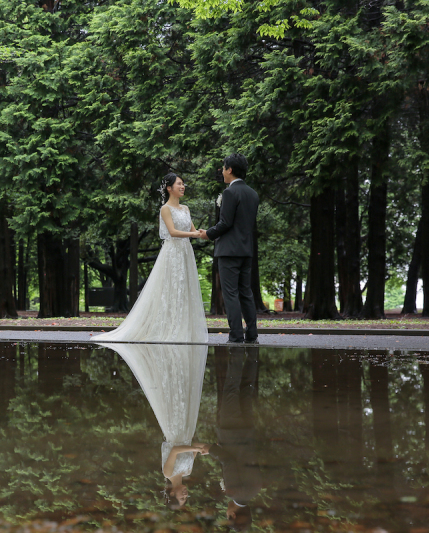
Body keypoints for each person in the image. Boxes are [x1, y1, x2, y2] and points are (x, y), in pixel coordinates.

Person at [93, 172, 207, 343]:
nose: (182, 187)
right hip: (172, 252)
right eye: (179, 184)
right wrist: (194, 234)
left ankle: (183, 329)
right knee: (171, 287)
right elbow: (173, 232)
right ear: (169, 188)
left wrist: (205, 233)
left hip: (185, 251)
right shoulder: (165, 209)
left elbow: (193, 230)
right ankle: (168, 328)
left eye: (183, 184)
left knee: (184, 287)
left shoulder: (185, 209)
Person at [97, 342, 210, 508]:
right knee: (186, 396)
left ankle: (169, 357)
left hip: (174, 430)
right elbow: (194, 446)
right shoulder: (188, 471)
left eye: (181, 498)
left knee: (175, 398)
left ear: (172, 493)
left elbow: (176, 450)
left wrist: (197, 450)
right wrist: (208, 448)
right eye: (186, 498)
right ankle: (182, 358)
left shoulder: (168, 472)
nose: (185, 495)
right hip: (187, 431)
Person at [197, 154, 259, 344]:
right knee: (246, 292)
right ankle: (252, 334)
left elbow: (225, 223)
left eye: (224, 168)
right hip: (246, 250)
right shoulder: (253, 193)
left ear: (230, 170)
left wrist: (208, 233)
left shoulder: (230, 193)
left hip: (229, 251)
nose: (222, 171)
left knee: (230, 293)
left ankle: (236, 335)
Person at [201, 345, 264, 531]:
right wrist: (210, 449)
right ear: (233, 515)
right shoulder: (233, 493)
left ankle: (252, 346)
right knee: (231, 388)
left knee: (246, 390)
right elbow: (228, 461)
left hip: (247, 432)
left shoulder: (256, 489)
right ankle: (236, 348)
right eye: (227, 515)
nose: (226, 512)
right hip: (231, 431)